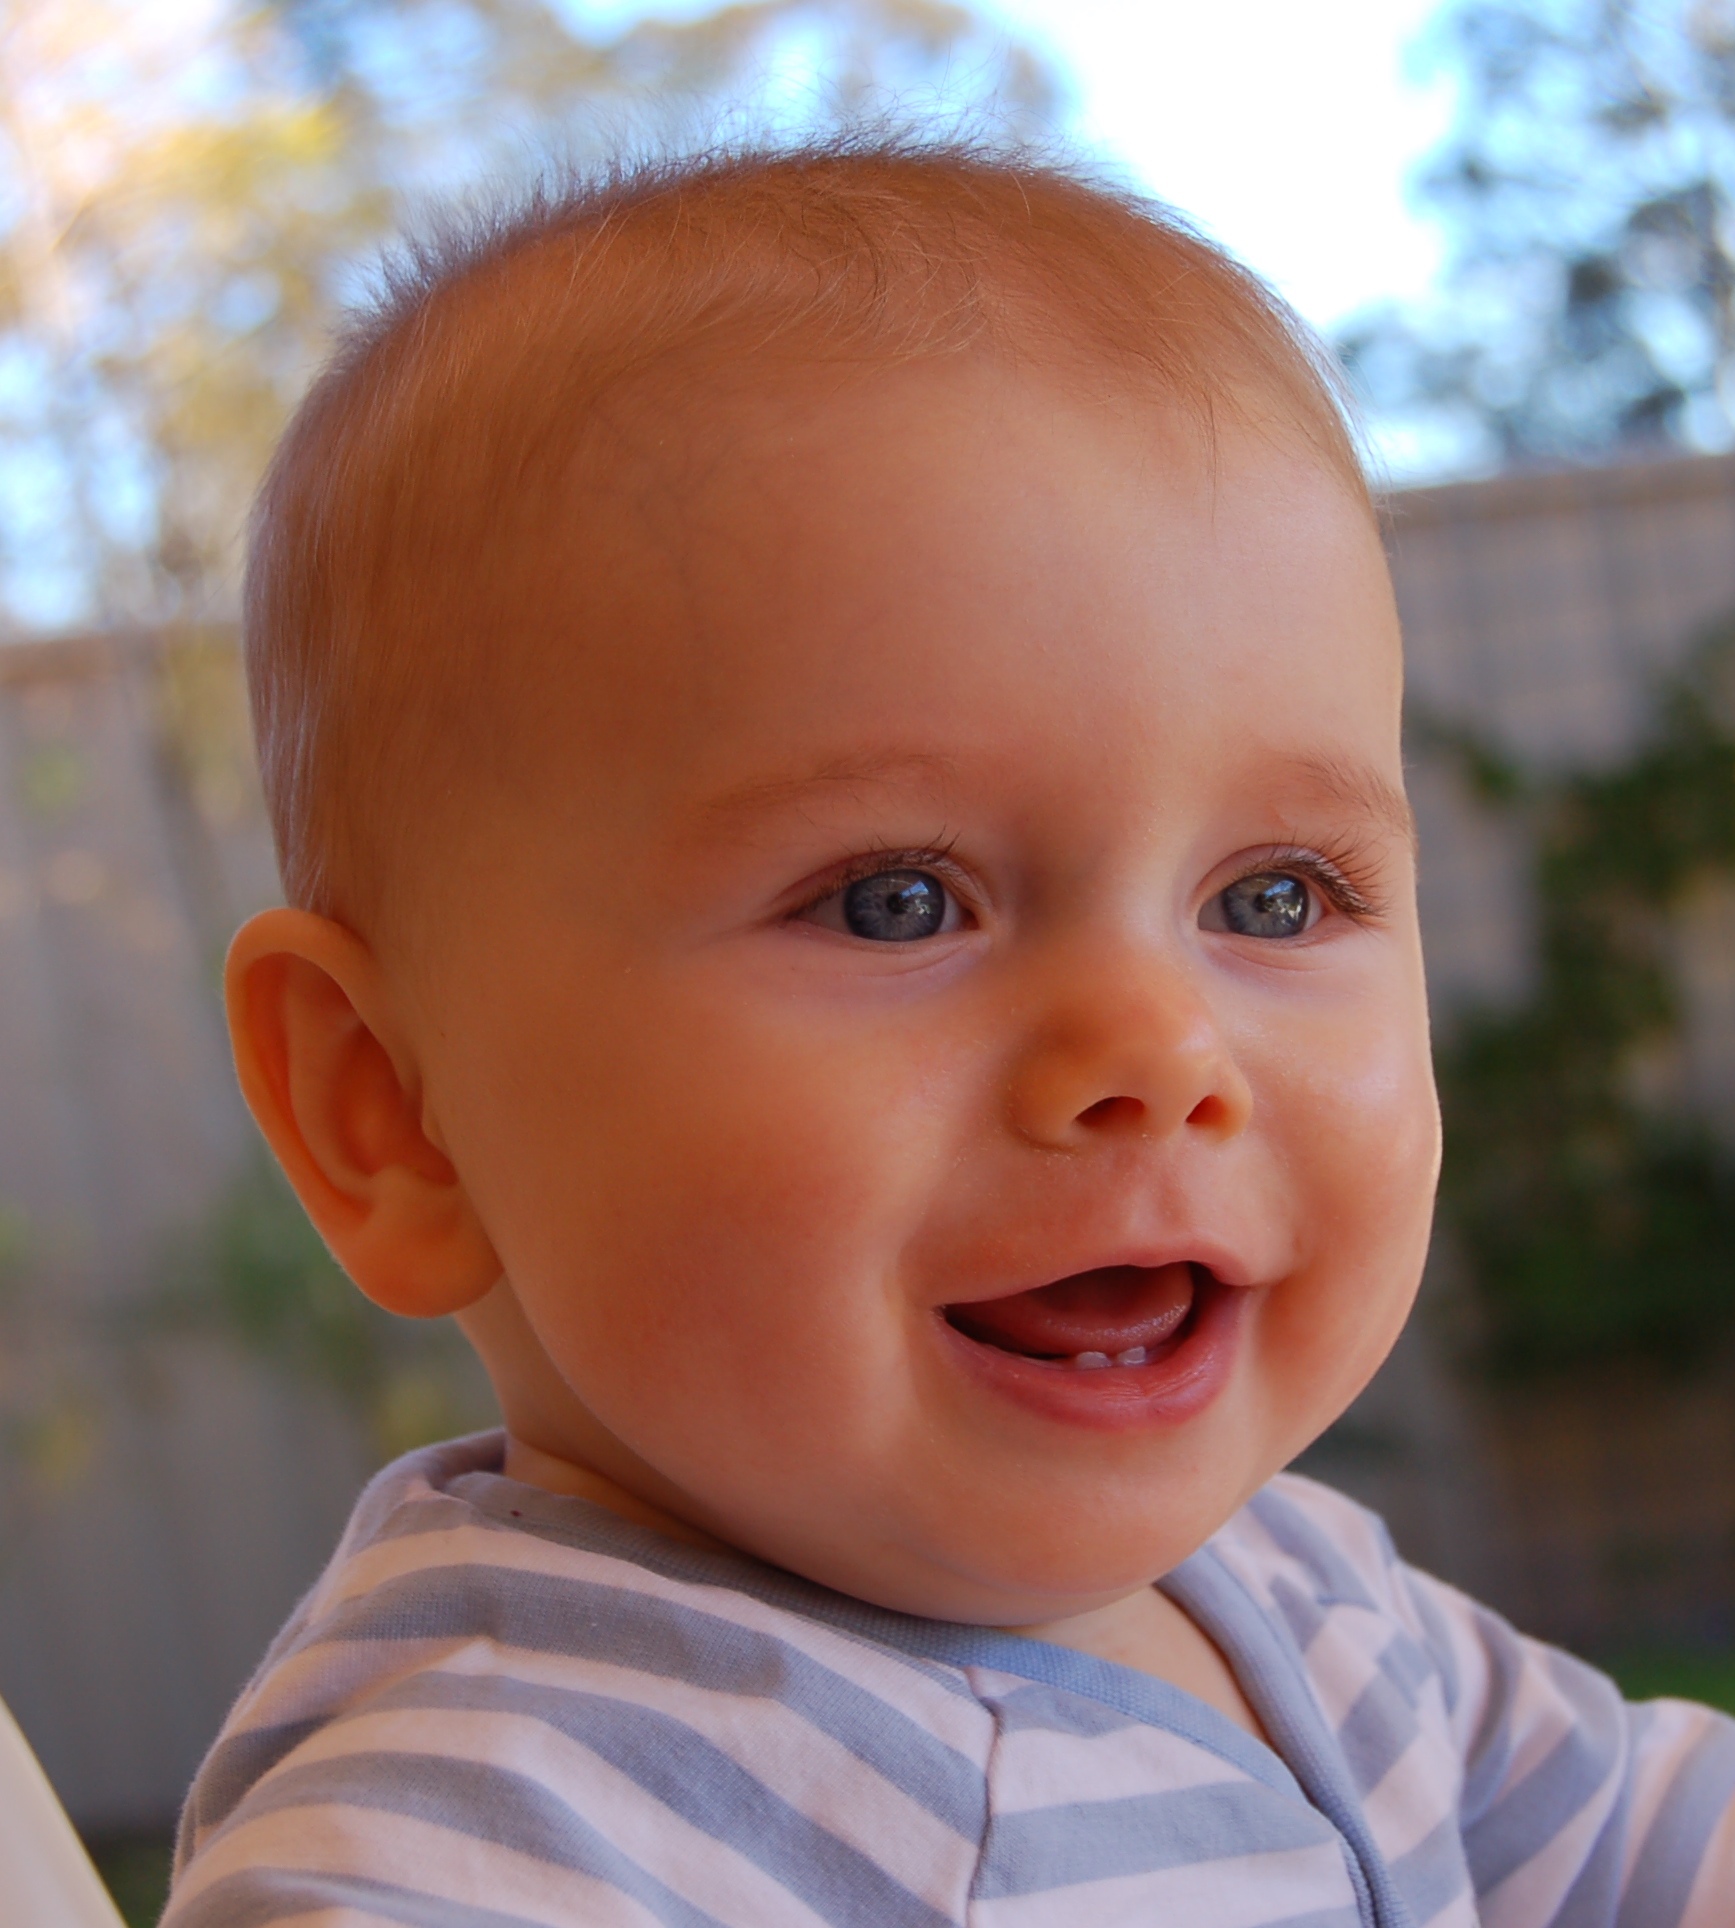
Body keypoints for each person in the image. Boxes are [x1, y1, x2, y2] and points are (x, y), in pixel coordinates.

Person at [162, 142, 1735, 1928]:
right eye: (895, 901)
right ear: (393, 1110)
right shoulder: (515, 1828)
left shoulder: (1301, 1602)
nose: (1160, 1046)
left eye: (1276, 898)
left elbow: (1639, 1850)